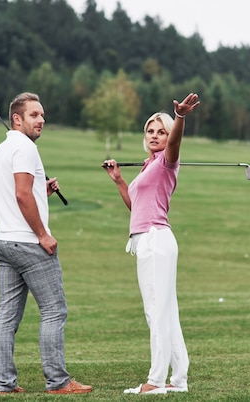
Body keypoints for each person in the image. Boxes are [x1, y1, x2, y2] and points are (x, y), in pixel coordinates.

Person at [0, 92, 92, 395]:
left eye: (42, 115)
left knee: (6, 316)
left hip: (3, 241)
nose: (42, 120)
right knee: (54, 311)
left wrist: (39, 190)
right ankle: (58, 382)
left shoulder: (4, 147)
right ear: (17, 119)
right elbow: (21, 195)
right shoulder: (25, 149)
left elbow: (20, 192)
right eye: (34, 115)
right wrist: (43, 235)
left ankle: (4, 385)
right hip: (28, 245)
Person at [102, 93, 201, 395]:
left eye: (162, 131)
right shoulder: (149, 166)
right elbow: (137, 207)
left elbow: (174, 145)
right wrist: (119, 180)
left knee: (156, 311)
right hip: (148, 239)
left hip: (157, 241)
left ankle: (156, 380)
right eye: (151, 131)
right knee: (165, 311)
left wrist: (180, 118)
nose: (156, 136)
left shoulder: (167, 162)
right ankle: (179, 379)